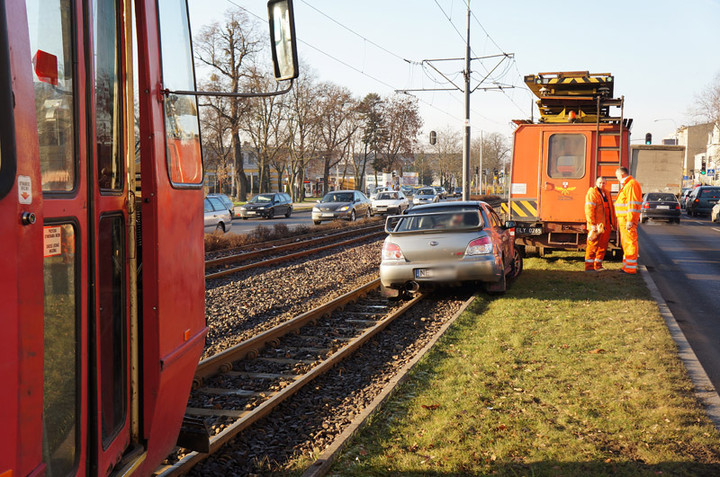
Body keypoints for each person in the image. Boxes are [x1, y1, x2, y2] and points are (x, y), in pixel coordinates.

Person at [614, 167, 643, 274]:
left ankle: (630, 268)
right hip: (625, 219)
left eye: (617, 176)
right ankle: (627, 267)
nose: (617, 178)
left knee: (630, 243)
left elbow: (632, 204)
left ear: (621, 175)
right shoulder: (629, 184)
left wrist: (630, 220)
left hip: (627, 219)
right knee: (626, 243)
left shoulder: (630, 185)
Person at [584, 177, 615, 271]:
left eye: (604, 183)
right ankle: (589, 267)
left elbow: (611, 209)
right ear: (596, 183)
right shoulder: (592, 193)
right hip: (596, 225)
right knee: (592, 245)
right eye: (600, 183)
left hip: (606, 225)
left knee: (603, 245)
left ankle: (598, 265)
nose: (602, 185)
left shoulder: (607, 193)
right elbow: (589, 210)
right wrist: (592, 224)